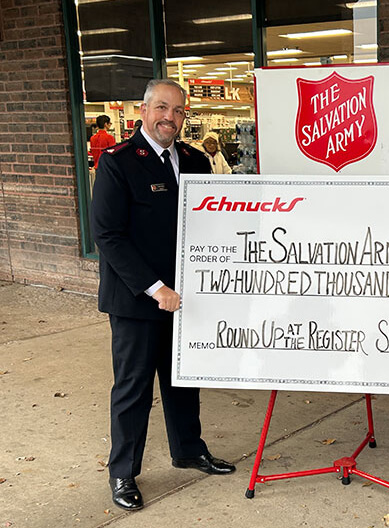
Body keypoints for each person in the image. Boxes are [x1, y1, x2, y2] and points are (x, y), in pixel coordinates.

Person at [90, 79, 236, 512]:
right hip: (137, 299)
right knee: (133, 388)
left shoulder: (193, 159)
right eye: (161, 108)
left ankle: (188, 449)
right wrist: (157, 289)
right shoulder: (117, 162)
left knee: (183, 379)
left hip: (187, 296)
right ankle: (123, 472)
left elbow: (210, 222)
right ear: (143, 109)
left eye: (177, 111)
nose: (168, 117)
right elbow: (108, 235)